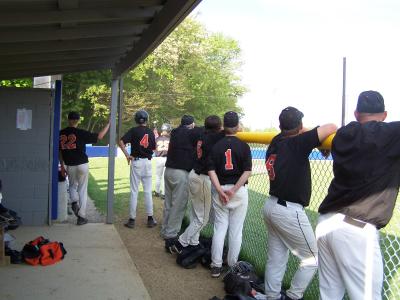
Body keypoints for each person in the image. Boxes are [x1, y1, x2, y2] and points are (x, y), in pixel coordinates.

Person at [316, 90, 399, 300]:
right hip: (357, 230)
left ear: (356, 113)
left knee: (330, 296)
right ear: (385, 114)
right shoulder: (392, 133)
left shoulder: (344, 133)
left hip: (326, 223)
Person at [263, 107, 337, 300]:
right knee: (312, 258)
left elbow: (295, 133)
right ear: (300, 126)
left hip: (271, 206)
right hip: (289, 212)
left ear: (280, 126)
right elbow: (332, 126)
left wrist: (302, 131)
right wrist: (308, 132)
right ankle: (293, 296)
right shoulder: (298, 143)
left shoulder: (275, 140)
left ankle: (272, 296)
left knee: (276, 259)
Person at [208, 111, 252, 278]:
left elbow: (211, 170)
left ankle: (216, 266)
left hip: (220, 189)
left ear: (223, 126)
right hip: (238, 191)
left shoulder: (216, 145)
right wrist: (232, 191)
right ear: (237, 126)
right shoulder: (243, 145)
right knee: (236, 231)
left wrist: (220, 190)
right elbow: (247, 171)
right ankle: (232, 265)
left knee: (220, 228)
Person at [172, 115, 224, 253]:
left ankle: (193, 242)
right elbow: (228, 131)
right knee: (202, 219)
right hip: (202, 178)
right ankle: (180, 243)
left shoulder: (202, 133)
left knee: (196, 214)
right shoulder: (215, 137)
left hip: (194, 175)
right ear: (218, 128)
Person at [59, 111, 110, 225]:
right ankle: (81, 217)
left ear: (68, 119)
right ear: (77, 120)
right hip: (82, 163)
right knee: (82, 190)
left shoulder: (61, 133)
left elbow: (60, 151)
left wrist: (62, 166)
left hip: (69, 164)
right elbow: (100, 136)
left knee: (72, 186)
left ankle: (74, 202)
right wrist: (108, 124)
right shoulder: (80, 132)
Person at [161, 115, 202, 252]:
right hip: (180, 173)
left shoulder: (175, 132)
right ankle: (171, 235)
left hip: (168, 171)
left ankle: (165, 230)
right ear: (191, 125)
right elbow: (201, 131)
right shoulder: (191, 132)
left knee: (168, 203)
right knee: (178, 205)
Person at [119, 110, 157, 229]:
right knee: (147, 191)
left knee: (134, 191)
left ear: (136, 119)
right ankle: (150, 218)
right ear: (147, 119)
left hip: (136, 162)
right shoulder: (151, 132)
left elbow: (121, 142)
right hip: (147, 163)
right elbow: (154, 148)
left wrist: (127, 155)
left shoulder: (133, 130)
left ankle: (131, 220)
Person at [153, 123, 171, 199]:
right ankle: (164, 193)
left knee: (158, 176)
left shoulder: (157, 139)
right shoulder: (170, 139)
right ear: (168, 130)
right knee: (165, 177)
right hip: (167, 158)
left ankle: (157, 191)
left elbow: (154, 149)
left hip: (159, 158)